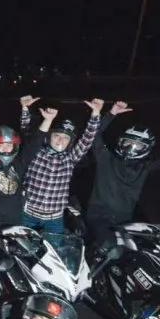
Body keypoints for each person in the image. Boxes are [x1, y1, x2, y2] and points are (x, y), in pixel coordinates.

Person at [85, 102, 160, 243]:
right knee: (110, 247)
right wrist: (110, 114)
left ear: (146, 148)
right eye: (128, 142)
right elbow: (93, 136)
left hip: (125, 219)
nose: (131, 147)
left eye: (138, 145)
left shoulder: (145, 166)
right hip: (98, 217)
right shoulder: (106, 158)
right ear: (121, 142)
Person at [21, 99, 104, 233]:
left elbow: (87, 139)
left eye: (66, 138)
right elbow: (27, 132)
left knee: (57, 245)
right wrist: (25, 109)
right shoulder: (36, 152)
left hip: (54, 219)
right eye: (57, 135)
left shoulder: (70, 158)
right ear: (49, 137)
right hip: (28, 215)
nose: (60, 140)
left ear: (70, 142)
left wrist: (95, 113)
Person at [0, 95, 46, 240]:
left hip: (15, 224)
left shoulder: (19, 163)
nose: (6, 149)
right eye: (1, 145)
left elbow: (34, 145)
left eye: (9, 145)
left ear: (15, 146)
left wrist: (47, 120)